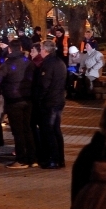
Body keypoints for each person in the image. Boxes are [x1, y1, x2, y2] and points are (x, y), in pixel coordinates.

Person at [0, 39, 36, 169]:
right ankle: (32, 158)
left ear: (10, 49)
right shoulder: (29, 63)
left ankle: (21, 159)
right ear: (21, 48)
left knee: (18, 131)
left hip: (13, 101)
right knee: (27, 129)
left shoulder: (8, 64)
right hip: (28, 100)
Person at [34, 40, 68, 169]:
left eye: (41, 48)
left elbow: (44, 85)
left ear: (46, 50)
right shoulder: (60, 62)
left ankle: (53, 159)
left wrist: (39, 100)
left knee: (49, 131)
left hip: (50, 102)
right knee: (56, 130)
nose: (41, 51)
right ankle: (60, 158)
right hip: (59, 100)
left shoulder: (48, 64)